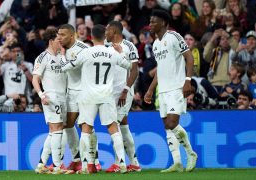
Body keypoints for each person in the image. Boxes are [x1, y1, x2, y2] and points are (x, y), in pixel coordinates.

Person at [61, 24, 131, 174]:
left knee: (85, 130)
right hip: (107, 96)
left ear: (91, 37)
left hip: (88, 96)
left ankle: (86, 166)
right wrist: (121, 53)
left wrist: (62, 55)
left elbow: (66, 67)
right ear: (105, 37)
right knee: (113, 129)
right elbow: (128, 65)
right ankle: (122, 163)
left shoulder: (86, 52)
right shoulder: (112, 53)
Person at [144, 9, 197, 173]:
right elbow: (160, 69)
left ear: (164, 23)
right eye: (150, 21)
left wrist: (187, 81)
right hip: (163, 90)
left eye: (154, 22)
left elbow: (189, 57)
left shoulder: (174, 37)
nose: (151, 25)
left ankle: (191, 153)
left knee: (172, 123)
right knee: (167, 127)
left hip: (176, 87)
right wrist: (150, 90)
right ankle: (177, 162)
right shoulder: (156, 44)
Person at [32, 28, 73, 174]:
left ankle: (42, 164)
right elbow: (35, 79)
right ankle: (58, 166)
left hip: (62, 96)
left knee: (54, 130)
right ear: (51, 41)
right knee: (57, 130)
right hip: (51, 97)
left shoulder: (60, 56)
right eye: (58, 39)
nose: (60, 41)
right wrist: (41, 94)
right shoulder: (43, 57)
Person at [104, 20, 141, 173]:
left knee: (115, 126)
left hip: (123, 93)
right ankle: (134, 162)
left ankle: (119, 162)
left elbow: (135, 70)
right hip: (111, 92)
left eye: (107, 30)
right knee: (123, 127)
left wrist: (125, 90)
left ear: (114, 32)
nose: (105, 33)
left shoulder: (129, 46)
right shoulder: (106, 47)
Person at [57, 24, 90, 172]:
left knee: (85, 126)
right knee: (68, 125)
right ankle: (76, 159)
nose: (59, 38)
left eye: (62, 35)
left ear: (72, 36)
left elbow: (66, 67)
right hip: (71, 92)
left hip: (84, 91)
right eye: (58, 34)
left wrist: (62, 54)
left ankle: (92, 160)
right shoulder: (61, 49)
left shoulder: (83, 49)